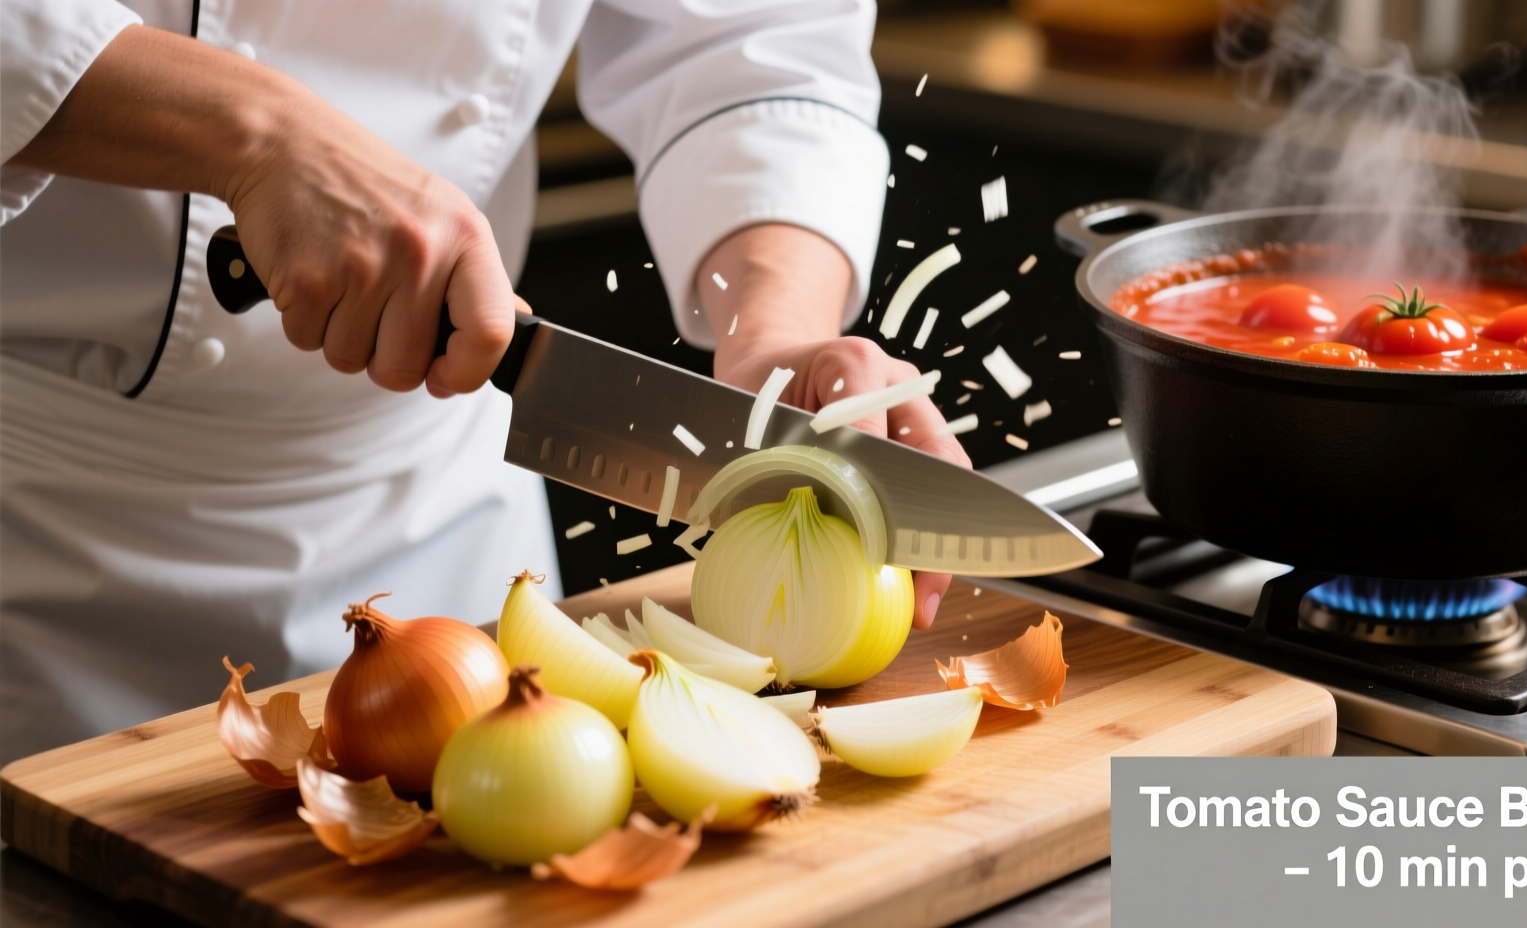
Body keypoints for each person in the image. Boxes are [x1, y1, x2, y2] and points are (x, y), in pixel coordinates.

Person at [0, 0, 969, 765]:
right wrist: (253, 129)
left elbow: (751, 37)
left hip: (440, 526)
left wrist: (777, 325)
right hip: (42, 536)